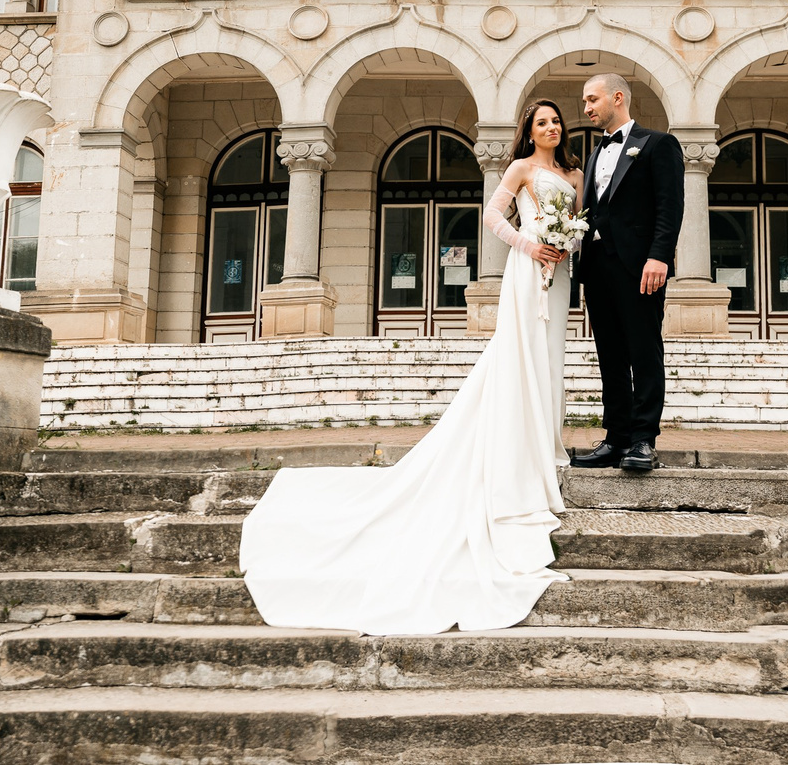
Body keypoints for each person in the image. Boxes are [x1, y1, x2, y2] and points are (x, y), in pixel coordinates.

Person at [236, 99, 578, 633]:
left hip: (562, 275)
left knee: (552, 355)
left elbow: (581, 219)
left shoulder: (573, 172)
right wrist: (529, 244)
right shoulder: (520, 168)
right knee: (523, 353)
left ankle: (547, 440)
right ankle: (522, 446)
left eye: (556, 121)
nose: (551, 128)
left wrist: (567, 240)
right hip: (528, 267)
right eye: (541, 123)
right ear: (528, 131)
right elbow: (492, 216)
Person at [571, 72, 683, 473]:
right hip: (597, 268)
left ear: (617, 98)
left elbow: (670, 208)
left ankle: (642, 441)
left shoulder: (658, 145)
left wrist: (660, 256)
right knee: (610, 357)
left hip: (640, 268)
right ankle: (616, 438)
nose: (586, 109)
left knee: (643, 351)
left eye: (591, 100)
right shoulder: (594, 153)